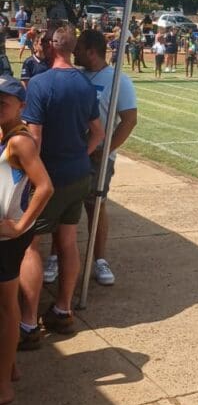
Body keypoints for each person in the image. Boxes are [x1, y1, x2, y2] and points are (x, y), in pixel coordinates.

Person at [18, 27, 105, 346]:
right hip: (78, 174)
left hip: (49, 176)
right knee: (68, 241)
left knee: (30, 246)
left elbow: (35, 138)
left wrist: (28, 175)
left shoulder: (40, 83)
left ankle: (28, 324)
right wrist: (81, 154)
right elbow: (98, 132)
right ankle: (63, 310)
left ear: (52, 47)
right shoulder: (85, 83)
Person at [58, 29, 137, 287]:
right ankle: (54, 258)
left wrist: (106, 150)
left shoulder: (118, 80)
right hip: (71, 153)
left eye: (79, 48)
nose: (74, 52)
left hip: (98, 157)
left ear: (92, 51)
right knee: (62, 205)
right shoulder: (76, 75)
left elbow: (129, 120)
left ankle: (100, 260)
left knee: (96, 206)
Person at [0, 77, 53, 403]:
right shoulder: (5, 134)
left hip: (7, 238)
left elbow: (45, 187)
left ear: (21, 106)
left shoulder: (21, 141)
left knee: (7, 307)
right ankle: (12, 367)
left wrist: (20, 225)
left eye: (3, 102)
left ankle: (3, 385)